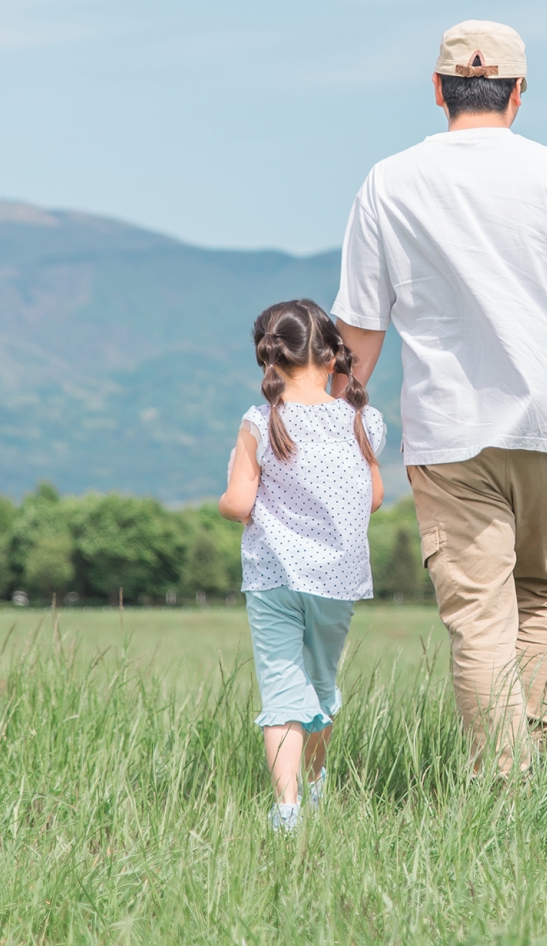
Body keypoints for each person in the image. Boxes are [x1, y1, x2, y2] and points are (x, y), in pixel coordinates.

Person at [331, 19, 547, 774]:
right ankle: (528, 772)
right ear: (518, 93)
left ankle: (505, 779)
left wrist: (341, 422)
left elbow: (360, 327)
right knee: (543, 596)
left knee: (479, 618)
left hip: (447, 434)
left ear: (439, 91)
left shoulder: (389, 181)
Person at [219, 299, 386, 831]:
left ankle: (286, 808)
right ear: (332, 355)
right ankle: (317, 788)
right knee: (321, 685)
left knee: (282, 692)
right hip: (337, 581)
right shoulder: (362, 420)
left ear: (269, 358)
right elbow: (375, 497)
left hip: (273, 579)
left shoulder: (260, 421)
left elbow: (240, 503)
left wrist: (226, 499)